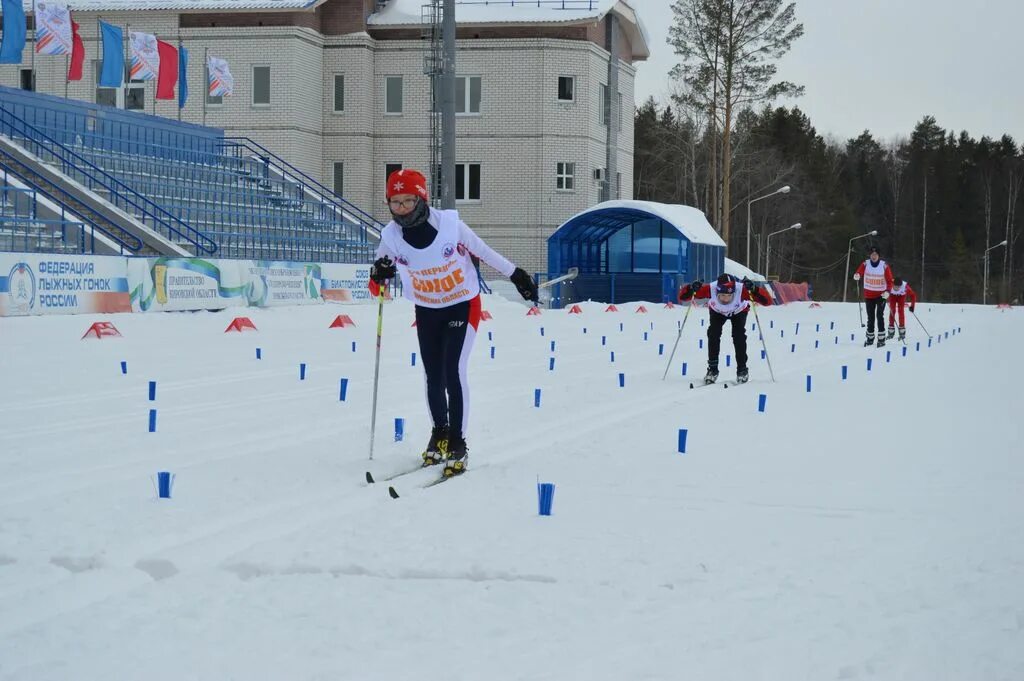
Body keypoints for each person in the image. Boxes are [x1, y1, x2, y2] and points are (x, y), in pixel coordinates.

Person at [368, 168, 538, 477]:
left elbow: (484, 252)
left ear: (422, 199)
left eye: (409, 201)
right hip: (427, 309)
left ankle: (458, 441)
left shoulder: (449, 225)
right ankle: (440, 432)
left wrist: (516, 275)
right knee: (433, 375)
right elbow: (376, 283)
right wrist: (378, 274)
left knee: (453, 370)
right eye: (395, 202)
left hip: (462, 304)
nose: (403, 209)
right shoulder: (391, 238)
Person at [678, 273, 773, 384]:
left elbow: (767, 301)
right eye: (722, 295)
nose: (726, 299)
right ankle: (712, 370)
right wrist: (690, 288)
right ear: (717, 291)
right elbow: (683, 297)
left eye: (729, 296)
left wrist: (754, 289)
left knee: (739, 336)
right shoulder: (710, 289)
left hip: (738, 311)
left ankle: (742, 370)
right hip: (717, 311)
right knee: (713, 333)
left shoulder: (741, 290)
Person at [853, 245, 894, 347]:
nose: (874, 256)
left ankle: (881, 339)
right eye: (872, 254)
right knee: (870, 317)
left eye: (875, 254)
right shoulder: (865, 264)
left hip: (881, 295)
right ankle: (870, 338)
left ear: (878, 255)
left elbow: (890, 281)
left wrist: (888, 292)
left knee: (879, 315)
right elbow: (859, 272)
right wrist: (857, 275)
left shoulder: (884, 266)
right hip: (869, 295)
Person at [886, 276, 917, 341]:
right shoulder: (889, 284)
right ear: (893, 284)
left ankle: (902, 331)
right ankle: (891, 331)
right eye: (895, 287)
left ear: (901, 286)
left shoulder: (905, 287)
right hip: (892, 296)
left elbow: (913, 295)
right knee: (892, 311)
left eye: (898, 287)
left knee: (901, 311)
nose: (897, 288)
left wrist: (912, 306)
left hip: (901, 296)